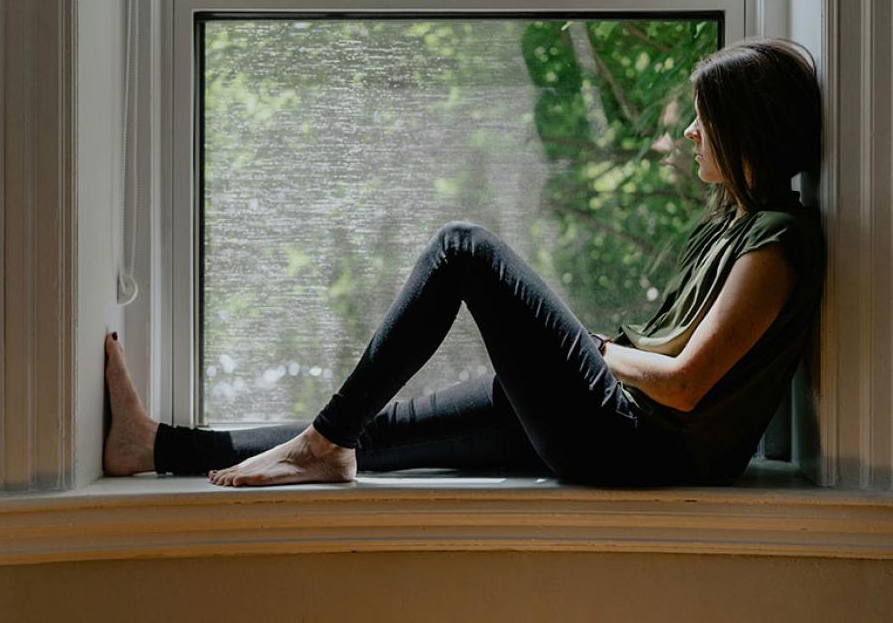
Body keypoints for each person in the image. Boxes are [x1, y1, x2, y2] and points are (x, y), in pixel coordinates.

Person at [103, 37, 827, 489]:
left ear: (747, 129)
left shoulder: (775, 244)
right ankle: (155, 447)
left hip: (635, 447)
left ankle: (319, 444)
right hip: (617, 431)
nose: (693, 132)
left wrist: (590, 348)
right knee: (371, 432)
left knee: (464, 248)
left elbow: (685, 385)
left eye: (708, 118)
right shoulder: (736, 226)